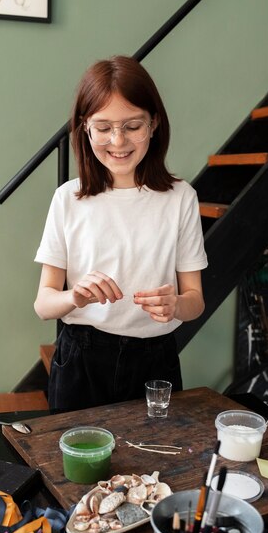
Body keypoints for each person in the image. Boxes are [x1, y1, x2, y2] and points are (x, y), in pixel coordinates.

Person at [34, 55, 208, 413]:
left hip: (155, 360)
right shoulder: (68, 198)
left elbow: (196, 299)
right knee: (75, 466)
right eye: (103, 127)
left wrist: (176, 304)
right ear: (85, 127)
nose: (118, 140)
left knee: (156, 464)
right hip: (81, 358)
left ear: (154, 124)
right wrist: (75, 297)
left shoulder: (180, 198)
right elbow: (43, 303)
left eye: (133, 126)